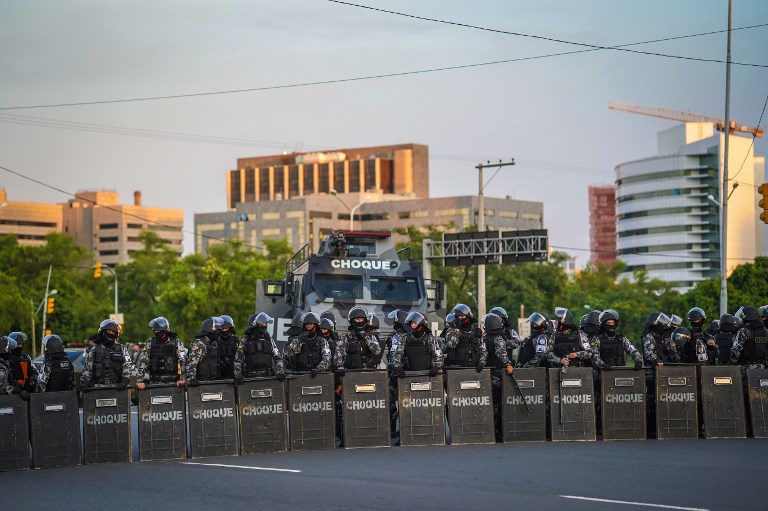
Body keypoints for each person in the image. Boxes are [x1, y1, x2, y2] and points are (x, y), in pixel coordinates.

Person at [641, 312, 678, 438]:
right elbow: (648, 353)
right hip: (652, 373)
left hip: (666, 372)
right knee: (652, 401)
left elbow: (672, 351)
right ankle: (651, 428)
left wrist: (678, 361)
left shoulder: (664, 335)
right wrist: (657, 361)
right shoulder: (649, 336)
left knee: (669, 399)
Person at [80, 319, 132, 391]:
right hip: (97, 387)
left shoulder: (122, 349)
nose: (111, 333)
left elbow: (128, 366)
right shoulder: (94, 349)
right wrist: (85, 382)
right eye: (109, 331)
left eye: (113, 332)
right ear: (102, 332)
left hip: (117, 387)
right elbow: (87, 368)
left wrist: (124, 381)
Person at [135, 317, 186, 389]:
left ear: (165, 330)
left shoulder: (177, 343)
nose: (156, 333)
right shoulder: (149, 344)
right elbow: (143, 362)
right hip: (154, 382)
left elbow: (183, 361)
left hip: (173, 384)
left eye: (158, 331)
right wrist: (139, 380)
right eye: (155, 331)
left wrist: (183, 379)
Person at [234, 312, 285, 382]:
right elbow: (238, 360)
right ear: (255, 324)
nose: (266, 325)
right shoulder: (245, 341)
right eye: (263, 323)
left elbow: (277, 357)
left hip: (268, 378)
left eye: (266, 323)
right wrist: (238, 374)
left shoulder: (269, 340)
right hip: (250, 379)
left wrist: (280, 371)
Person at [391, 311, 443, 376]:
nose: (412, 325)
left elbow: (438, 354)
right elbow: (397, 354)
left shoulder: (430, 338)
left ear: (421, 324)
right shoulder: (404, 338)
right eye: (411, 323)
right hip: (409, 374)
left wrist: (436, 367)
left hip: (426, 374)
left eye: (415, 323)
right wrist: (398, 367)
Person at [333, 306, 382, 375]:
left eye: (361, 319)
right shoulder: (346, 337)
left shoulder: (370, 336)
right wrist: (340, 366)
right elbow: (338, 353)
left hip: (368, 371)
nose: (360, 321)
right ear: (352, 321)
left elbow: (377, 351)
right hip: (351, 372)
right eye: (357, 319)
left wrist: (365, 337)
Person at [282, 312, 332, 377]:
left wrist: (317, 369)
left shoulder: (322, 340)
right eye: (307, 324)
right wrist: (299, 341)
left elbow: (327, 358)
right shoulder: (298, 339)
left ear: (316, 325)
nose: (309, 326)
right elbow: (288, 353)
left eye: (311, 324)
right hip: (299, 373)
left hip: (316, 374)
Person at [443, 304, 487, 372]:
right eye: (458, 316)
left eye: (462, 316)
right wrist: (457, 331)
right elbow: (451, 345)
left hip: (473, 368)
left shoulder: (475, 332)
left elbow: (483, 350)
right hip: (455, 368)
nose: (460, 318)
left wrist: (482, 362)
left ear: (468, 316)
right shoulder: (451, 330)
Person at [185, 317, 224, 386]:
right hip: (202, 384)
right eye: (217, 331)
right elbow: (192, 363)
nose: (218, 333)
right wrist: (192, 379)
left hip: (215, 382)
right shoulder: (199, 344)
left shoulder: (214, 344)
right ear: (210, 331)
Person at [730, 306, 768, 371]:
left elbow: (735, 350)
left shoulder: (744, 331)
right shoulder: (765, 331)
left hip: (746, 369)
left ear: (746, 317)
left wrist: (732, 365)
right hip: (763, 369)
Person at [217, 315, 238, 379]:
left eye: (226, 328)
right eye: (222, 329)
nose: (224, 330)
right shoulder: (215, 342)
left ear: (231, 328)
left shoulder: (237, 341)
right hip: (219, 376)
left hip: (235, 375)